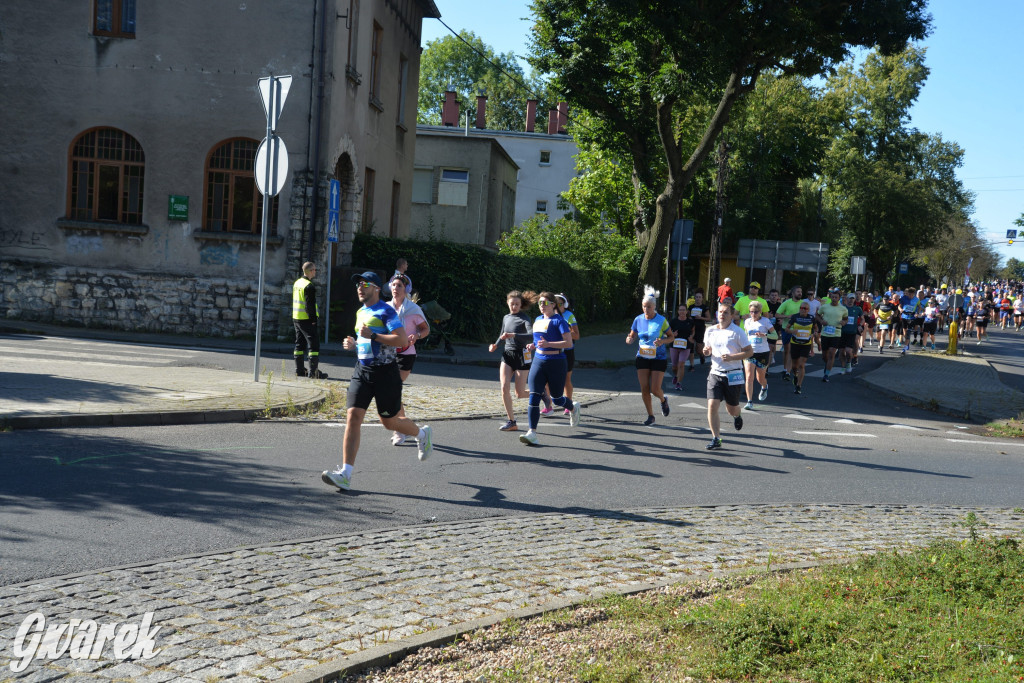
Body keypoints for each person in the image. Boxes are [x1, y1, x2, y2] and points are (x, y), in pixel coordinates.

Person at [321, 272, 433, 491]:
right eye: (357, 285)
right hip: (362, 370)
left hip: (386, 373)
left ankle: (422, 434)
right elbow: (364, 339)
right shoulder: (360, 312)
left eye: (364, 284)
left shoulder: (386, 310)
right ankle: (345, 474)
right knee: (353, 417)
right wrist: (353, 343)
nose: (359, 288)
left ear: (375, 288)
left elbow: (400, 339)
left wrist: (373, 335)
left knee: (390, 423)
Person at [520, 292, 581, 446]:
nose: (542, 306)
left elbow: (568, 343)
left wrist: (549, 344)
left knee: (557, 398)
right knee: (534, 395)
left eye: (545, 303)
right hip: (539, 361)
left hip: (557, 362)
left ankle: (573, 407)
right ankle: (532, 432)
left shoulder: (559, 321)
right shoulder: (538, 320)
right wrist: (533, 346)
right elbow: (538, 341)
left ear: (553, 305)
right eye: (540, 303)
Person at [386, 273, 430, 446]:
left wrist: (417, 335)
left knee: (393, 387)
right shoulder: (386, 308)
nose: (396, 289)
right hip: (389, 353)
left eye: (400, 286)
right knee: (392, 391)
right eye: (394, 285)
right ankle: (405, 427)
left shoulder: (413, 309)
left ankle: (400, 430)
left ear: (406, 290)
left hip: (406, 354)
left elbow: (426, 330)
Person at [703, 303, 753, 450]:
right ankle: (716, 438)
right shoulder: (710, 331)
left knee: (732, 408)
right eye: (720, 312)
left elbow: (749, 352)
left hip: (734, 374)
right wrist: (706, 351)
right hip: (715, 373)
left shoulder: (737, 332)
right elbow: (707, 350)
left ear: (731, 315)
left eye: (725, 312)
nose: (722, 315)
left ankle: (737, 416)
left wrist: (732, 357)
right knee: (712, 405)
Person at [488, 290, 537, 431]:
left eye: (517, 304)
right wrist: (495, 344)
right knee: (504, 387)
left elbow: (531, 335)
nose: (514, 306)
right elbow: (502, 333)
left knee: (520, 393)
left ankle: (540, 393)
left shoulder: (524, 318)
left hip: (523, 355)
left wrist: (514, 335)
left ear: (521, 305)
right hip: (508, 355)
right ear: (508, 304)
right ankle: (512, 422)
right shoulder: (506, 317)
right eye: (512, 304)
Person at [626, 286, 674, 425]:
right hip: (642, 356)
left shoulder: (661, 320)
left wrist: (662, 341)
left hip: (658, 358)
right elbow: (632, 335)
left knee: (654, 389)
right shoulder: (638, 319)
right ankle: (650, 416)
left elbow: (671, 337)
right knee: (644, 388)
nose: (646, 309)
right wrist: (629, 339)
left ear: (654, 307)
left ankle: (663, 400)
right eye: (644, 306)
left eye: (648, 307)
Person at [292, 261, 328, 379]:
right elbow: (310, 305)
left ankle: (300, 370)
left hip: (296, 317)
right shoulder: (309, 286)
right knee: (314, 345)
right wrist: (313, 319)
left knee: (299, 344)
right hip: (307, 319)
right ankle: (313, 372)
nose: (315, 272)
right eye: (314, 270)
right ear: (310, 271)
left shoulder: (297, 283)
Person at [742, 300, 773, 409]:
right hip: (750, 352)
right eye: (751, 312)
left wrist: (764, 334)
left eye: (755, 312)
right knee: (749, 376)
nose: (753, 314)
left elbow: (774, 336)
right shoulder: (747, 322)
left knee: (760, 378)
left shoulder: (766, 321)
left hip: (763, 352)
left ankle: (764, 386)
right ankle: (749, 401)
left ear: (760, 312)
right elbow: (745, 336)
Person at [784, 300, 816, 394]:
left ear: (808, 310)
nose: (803, 310)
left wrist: (813, 334)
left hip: (805, 345)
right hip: (795, 343)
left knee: (802, 365)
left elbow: (815, 329)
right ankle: (795, 375)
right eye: (801, 308)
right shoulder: (795, 317)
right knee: (795, 366)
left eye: (805, 308)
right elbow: (786, 329)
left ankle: (798, 386)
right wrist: (792, 331)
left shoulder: (811, 318)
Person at [776, 285, 806, 382]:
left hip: (799, 331)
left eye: (800, 291)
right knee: (788, 350)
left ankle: (790, 370)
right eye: (798, 291)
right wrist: (787, 316)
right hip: (787, 330)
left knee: (794, 352)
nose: (800, 293)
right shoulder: (787, 303)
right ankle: (786, 370)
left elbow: (808, 315)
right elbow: (777, 314)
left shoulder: (803, 303)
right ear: (793, 293)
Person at [817, 287, 845, 382]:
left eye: (836, 297)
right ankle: (827, 364)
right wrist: (821, 321)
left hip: (836, 332)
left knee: (832, 353)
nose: (834, 299)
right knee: (825, 355)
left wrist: (843, 322)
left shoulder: (843, 308)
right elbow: (817, 315)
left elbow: (846, 318)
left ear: (839, 298)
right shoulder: (825, 307)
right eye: (832, 297)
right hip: (825, 332)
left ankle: (826, 375)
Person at [668, 304, 695, 390]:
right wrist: (673, 334)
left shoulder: (690, 321)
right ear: (678, 311)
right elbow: (667, 332)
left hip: (686, 346)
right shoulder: (673, 321)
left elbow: (693, 331)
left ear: (687, 311)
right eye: (680, 310)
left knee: (681, 365)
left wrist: (691, 337)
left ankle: (679, 383)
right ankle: (676, 376)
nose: (682, 312)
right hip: (674, 346)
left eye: (684, 310)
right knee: (674, 367)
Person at [688, 290, 712, 369]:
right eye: (697, 297)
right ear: (695, 298)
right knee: (691, 346)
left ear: (702, 299)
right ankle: (692, 365)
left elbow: (708, 318)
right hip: (691, 328)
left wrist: (700, 317)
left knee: (698, 349)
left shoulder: (704, 307)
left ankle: (701, 355)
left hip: (700, 328)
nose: (698, 299)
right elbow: (687, 315)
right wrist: (689, 318)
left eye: (699, 297)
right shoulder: (691, 307)